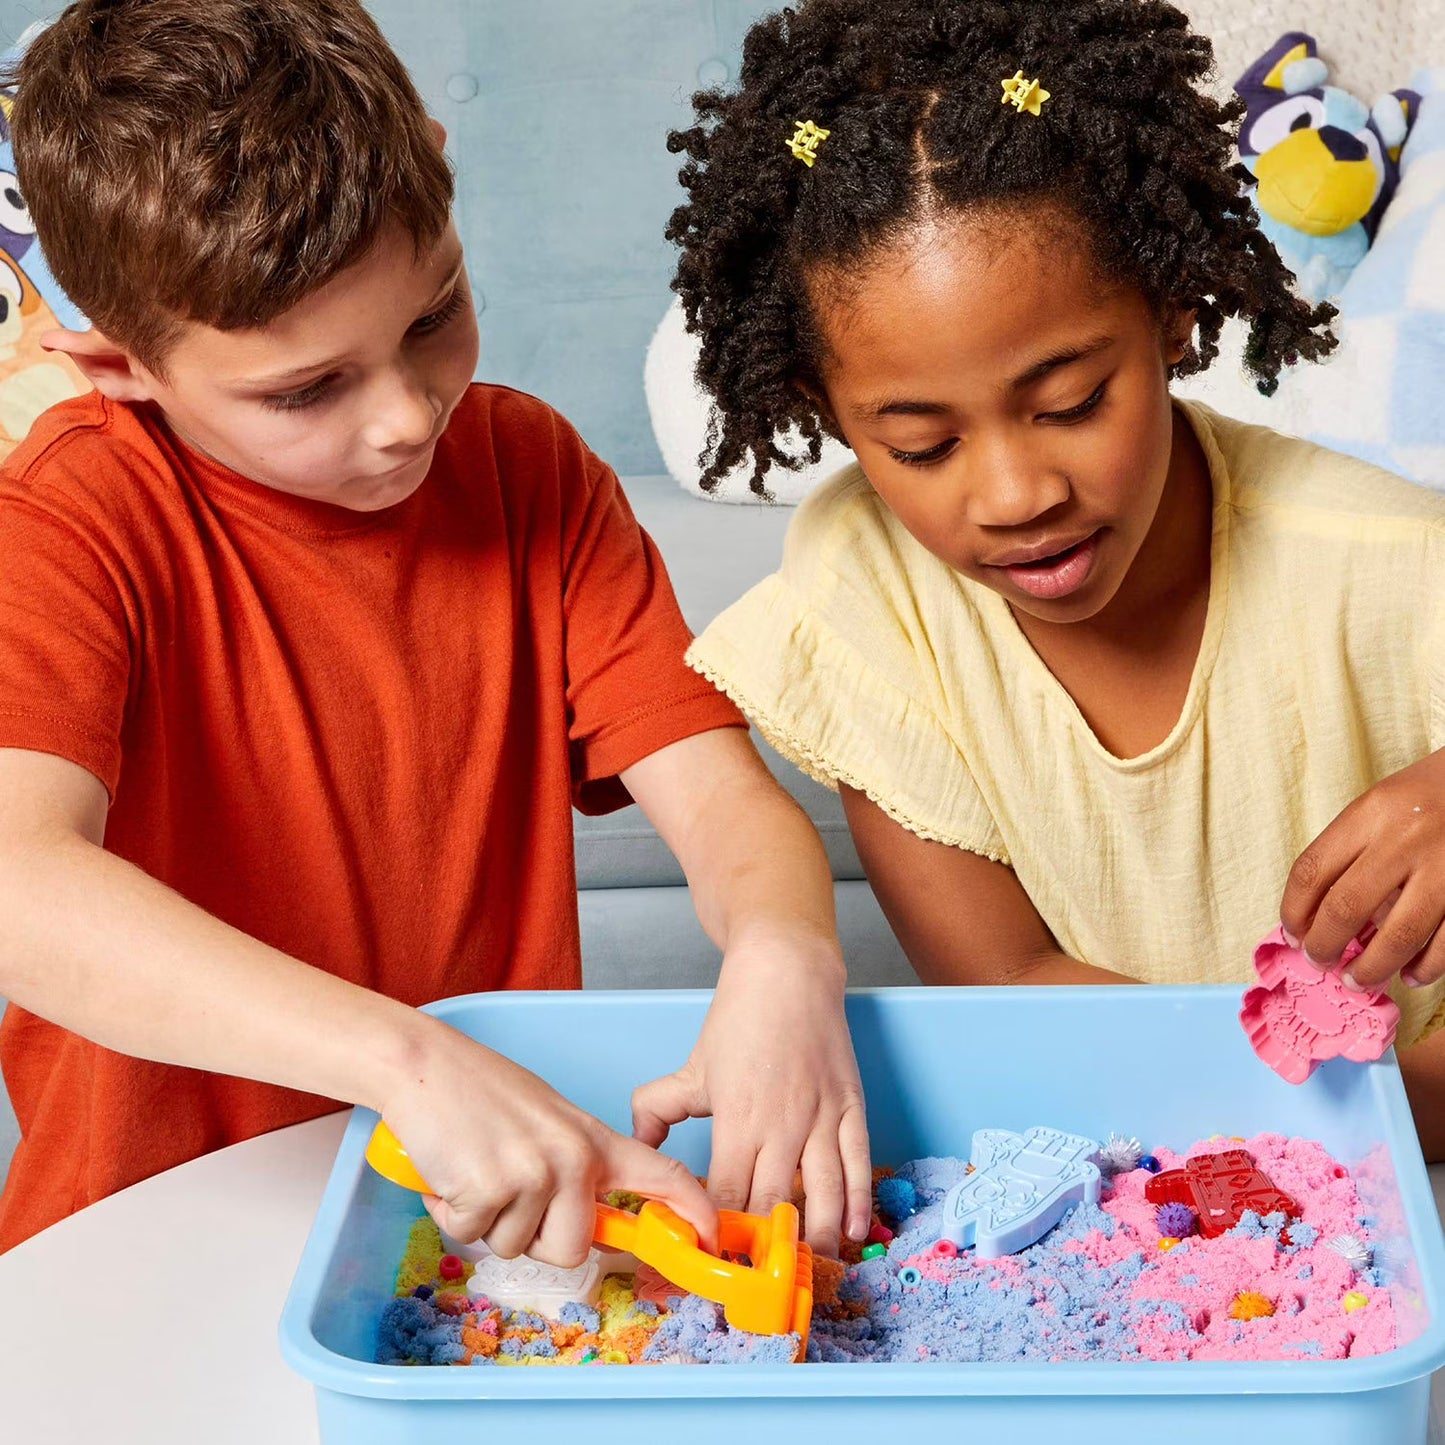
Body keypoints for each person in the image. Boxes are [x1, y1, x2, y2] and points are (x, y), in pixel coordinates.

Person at [0, 0, 871, 1257]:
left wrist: (786, 956)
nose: (408, 416)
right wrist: (408, 1060)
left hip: (479, 1237)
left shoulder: (532, 474)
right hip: (149, 1233)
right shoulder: (65, 518)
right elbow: (20, 885)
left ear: (441, 173)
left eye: (430, 316)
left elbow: (723, 798)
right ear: (116, 366)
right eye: (307, 389)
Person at [674, 0, 1445, 1155]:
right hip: (1110, 1166)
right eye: (921, 445)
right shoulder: (869, 594)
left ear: (1172, 312)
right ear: (823, 412)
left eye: (1071, 402)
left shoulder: (1394, 563)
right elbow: (1008, 985)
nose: (1013, 494)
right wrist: (1290, 1122)